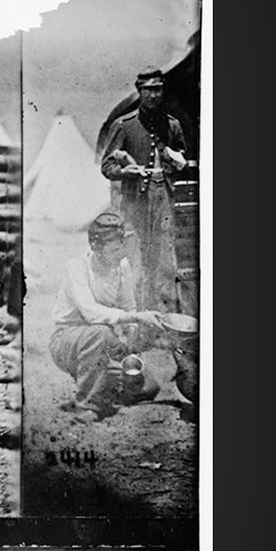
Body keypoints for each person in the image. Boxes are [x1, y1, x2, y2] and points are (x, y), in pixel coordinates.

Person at [49, 212, 164, 420]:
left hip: (103, 340)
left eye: (122, 246)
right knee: (100, 334)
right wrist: (136, 317)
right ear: (96, 248)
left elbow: (129, 305)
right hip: (67, 341)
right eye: (114, 249)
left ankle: (101, 387)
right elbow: (90, 311)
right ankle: (87, 405)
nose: (120, 254)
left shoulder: (122, 266)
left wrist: (130, 335)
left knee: (148, 386)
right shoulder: (77, 267)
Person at [100, 68, 189, 313]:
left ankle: (161, 318)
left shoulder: (172, 125)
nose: (153, 95)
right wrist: (125, 172)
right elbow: (107, 166)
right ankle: (135, 317)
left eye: (157, 89)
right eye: (148, 90)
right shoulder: (124, 125)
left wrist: (176, 161)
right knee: (135, 260)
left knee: (162, 262)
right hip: (135, 200)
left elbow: (183, 160)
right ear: (139, 92)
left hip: (164, 198)